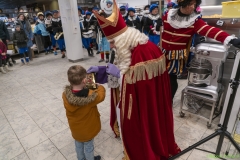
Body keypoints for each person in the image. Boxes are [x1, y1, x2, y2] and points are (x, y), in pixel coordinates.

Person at [88, 0, 181, 159]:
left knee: (142, 129)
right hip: (138, 100)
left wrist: (119, 75)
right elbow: (123, 68)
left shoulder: (143, 51)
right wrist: (102, 71)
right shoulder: (128, 47)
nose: (111, 46)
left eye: (112, 42)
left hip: (144, 107)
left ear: (122, 39)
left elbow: (141, 87)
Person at [162, 0, 240, 100]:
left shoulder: (195, 21)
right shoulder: (168, 15)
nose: (192, 7)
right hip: (162, 53)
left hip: (176, 56)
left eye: (195, 4)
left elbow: (209, 30)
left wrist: (230, 39)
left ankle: (168, 102)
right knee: (160, 77)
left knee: (171, 79)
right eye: (190, 4)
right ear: (182, 3)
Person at [62, 65, 105, 160]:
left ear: (69, 80)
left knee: (78, 145)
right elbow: (101, 96)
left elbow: (79, 91)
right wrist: (99, 87)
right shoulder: (91, 97)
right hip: (88, 130)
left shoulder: (65, 95)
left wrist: (87, 84)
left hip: (76, 130)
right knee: (89, 147)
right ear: (84, 81)